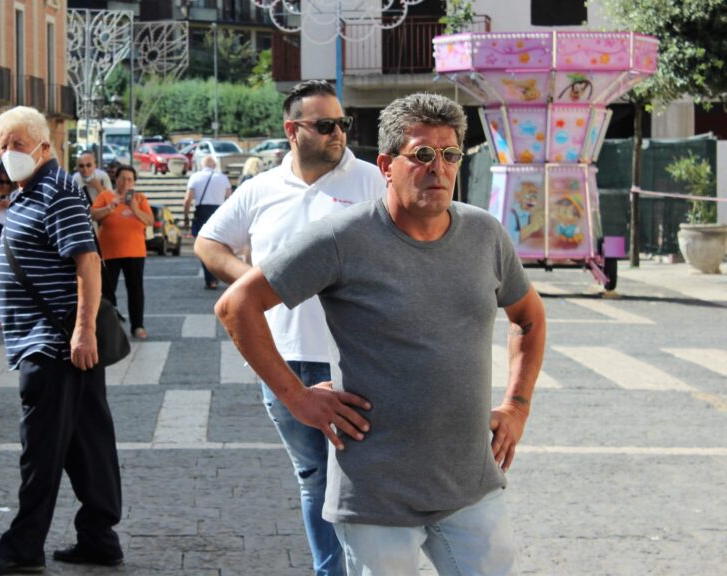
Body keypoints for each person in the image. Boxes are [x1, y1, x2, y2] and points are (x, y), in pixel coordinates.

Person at [214, 93, 548, 574]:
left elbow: (529, 318)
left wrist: (517, 406)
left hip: (469, 484)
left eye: (450, 155)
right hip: (375, 494)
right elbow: (237, 305)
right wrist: (298, 398)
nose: (439, 168)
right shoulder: (342, 238)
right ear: (387, 165)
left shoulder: (485, 235)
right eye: (423, 155)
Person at [194, 79, 384, 576]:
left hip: (359, 357)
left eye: (342, 123)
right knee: (314, 478)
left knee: (367, 477)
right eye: (324, 125)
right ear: (292, 130)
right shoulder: (261, 189)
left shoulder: (370, 182)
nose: (338, 133)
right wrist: (260, 286)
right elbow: (208, 243)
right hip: (284, 358)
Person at [0, 107, 123, 575]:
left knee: (40, 448)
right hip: (55, 342)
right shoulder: (27, 192)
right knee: (86, 444)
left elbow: (88, 263)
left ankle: (23, 547)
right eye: (2, 144)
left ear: (44, 146)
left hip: (54, 345)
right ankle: (99, 537)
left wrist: (83, 329)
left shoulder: (56, 192)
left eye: (17, 143)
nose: (7, 152)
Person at [90, 164, 154, 340]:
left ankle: (137, 325)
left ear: (134, 182)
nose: (126, 182)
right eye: (122, 178)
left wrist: (134, 208)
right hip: (109, 252)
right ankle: (107, 327)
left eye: (130, 179)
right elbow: (92, 215)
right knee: (107, 292)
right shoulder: (105, 196)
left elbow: (149, 221)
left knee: (135, 290)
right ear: (115, 180)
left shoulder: (140, 199)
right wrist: (110, 207)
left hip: (135, 252)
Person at [182, 155, 232, 289]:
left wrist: (186, 216)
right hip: (219, 213)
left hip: (201, 213)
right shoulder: (222, 177)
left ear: (201, 165)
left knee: (203, 246)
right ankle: (217, 276)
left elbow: (188, 199)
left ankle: (210, 279)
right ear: (214, 165)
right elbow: (230, 198)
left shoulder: (195, 177)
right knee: (220, 246)